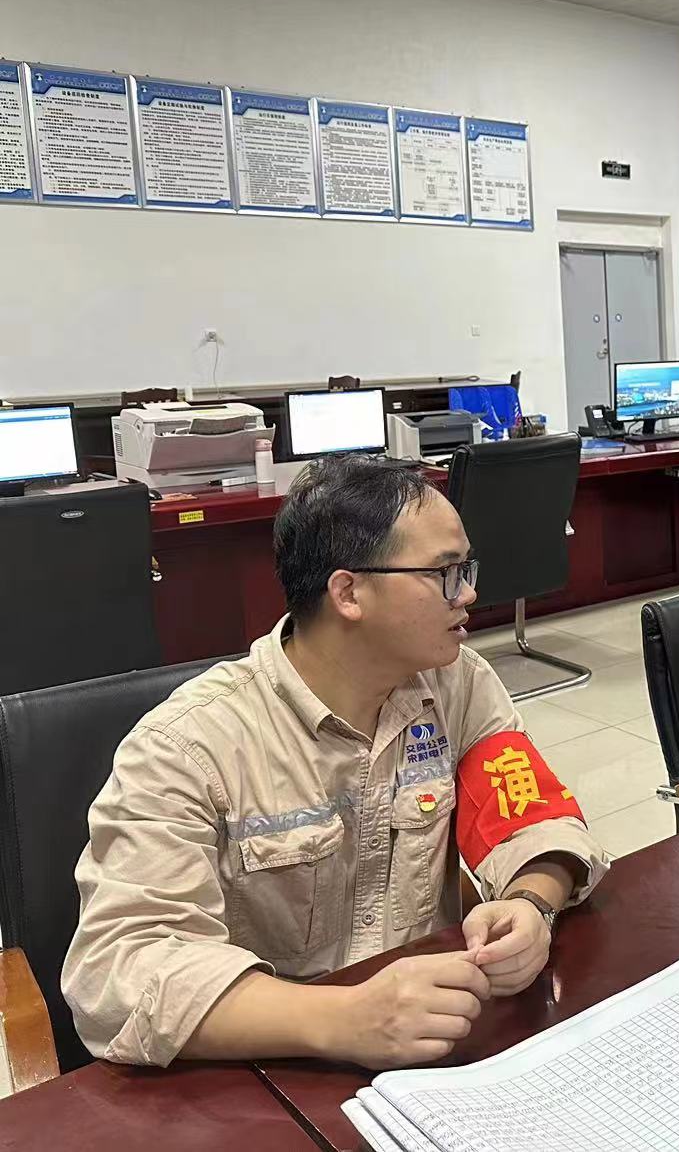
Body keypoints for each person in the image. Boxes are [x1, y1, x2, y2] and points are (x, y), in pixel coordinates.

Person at [63, 455, 610, 1069]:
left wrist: (532, 903)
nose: (469, 593)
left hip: (431, 1039)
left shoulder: (456, 685)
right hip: (266, 1067)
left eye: (466, 569)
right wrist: (342, 1018)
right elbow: (118, 970)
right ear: (348, 592)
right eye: (445, 573)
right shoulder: (188, 745)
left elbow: (533, 817)